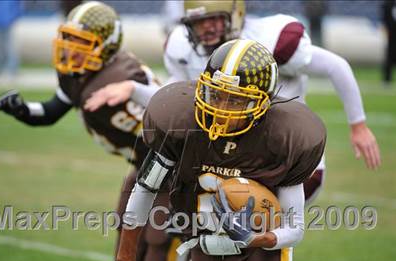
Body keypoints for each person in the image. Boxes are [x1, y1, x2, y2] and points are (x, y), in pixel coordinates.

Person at [111, 38, 344, 261]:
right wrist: (125, 258)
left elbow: (295, 228)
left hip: (263, 248)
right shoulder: (178, 121)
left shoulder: (285, 138)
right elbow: (144, 190)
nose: (221, 107)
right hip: (206, 243)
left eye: (235, 100)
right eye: (216, 94)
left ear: (262, 104)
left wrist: (255, 238)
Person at [87, 0, 381, 205]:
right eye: (200, 22)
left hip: (286, 162)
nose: (208, 28)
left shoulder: (272, 39)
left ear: (236, 14)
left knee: (253, 247)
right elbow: (178, 100)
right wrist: (134, 89)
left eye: (215, 19)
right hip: (233, 162)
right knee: (222, 250)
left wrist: (359, 125)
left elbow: (336, 66)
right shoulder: (181, 46)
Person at [0, 2, 188, 261]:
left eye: (82, 44)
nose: (72, 50)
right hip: (142, 170)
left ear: (106, 47)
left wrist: (134, 90)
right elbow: (52, 110)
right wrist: (24, 110)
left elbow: (176, 123)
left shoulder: (123, 76)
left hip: (173, 172)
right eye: (69, 40)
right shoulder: (79, 74)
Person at [382, 0, 396, 85]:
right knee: (389, 57)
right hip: (391, 36)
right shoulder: (388, 4)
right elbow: (385, 20)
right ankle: (387, 79)